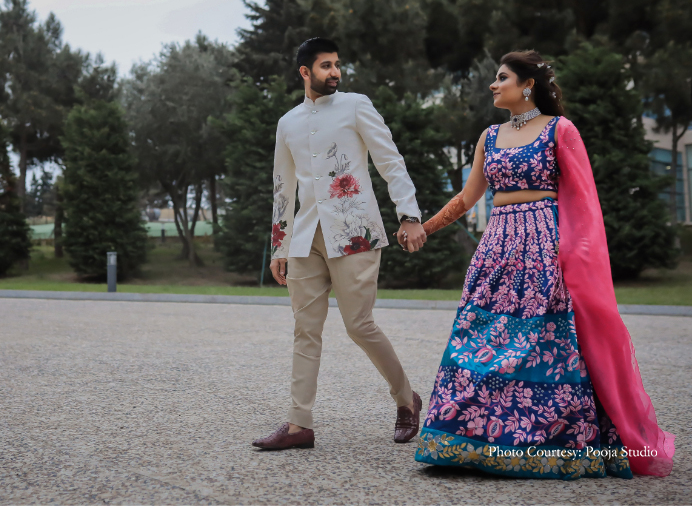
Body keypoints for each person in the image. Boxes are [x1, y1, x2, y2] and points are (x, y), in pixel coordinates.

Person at [412, 50, 675, 479]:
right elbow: (466, 198)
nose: (493, 84)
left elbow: (585, 201)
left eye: (502, 77)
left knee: (540, 342)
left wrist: (578, 256)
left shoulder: (559, 130)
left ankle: (542, 444)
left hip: (543, 247)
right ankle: (468, 442)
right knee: (480, 337)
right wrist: (425, 228)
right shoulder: (489, 136)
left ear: (527, 85)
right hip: (496, 247)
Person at [252, 37, 427, 451]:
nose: (335, 72)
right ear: (305, 72)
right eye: (326, 65)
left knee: (359, 325)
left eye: (337, 64)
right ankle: (299, 424)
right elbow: (283, 186)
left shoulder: (356, 105)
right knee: (305, 330)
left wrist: (410, 214)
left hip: (354, 231)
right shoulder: (288, 122)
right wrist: (280, 246)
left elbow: (390, 161)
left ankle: (406, 399)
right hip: (305, 238)